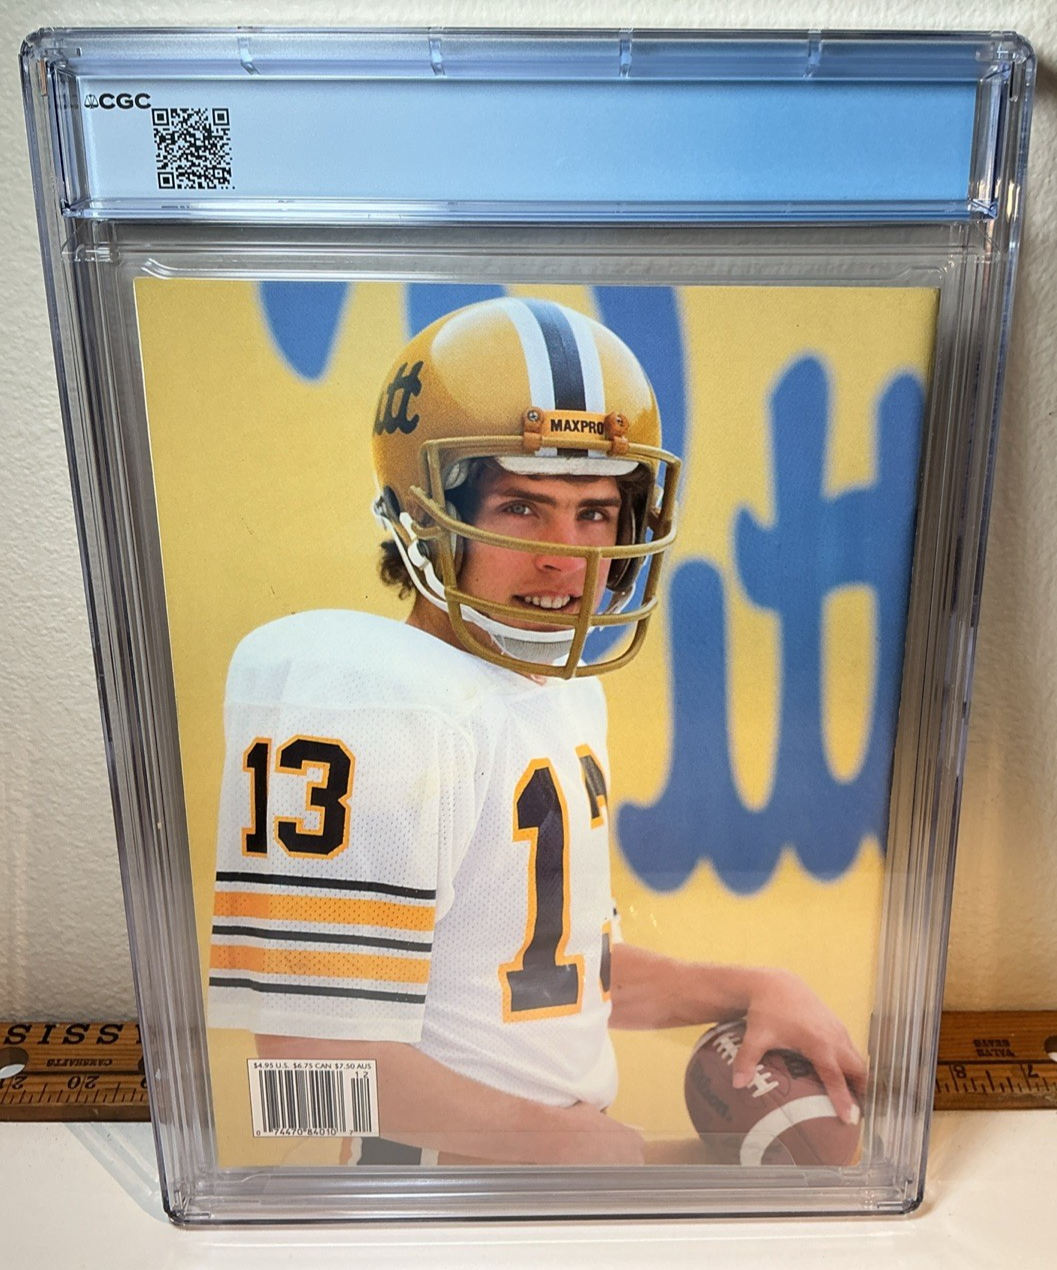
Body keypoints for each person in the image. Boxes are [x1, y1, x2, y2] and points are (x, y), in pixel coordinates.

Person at [208, 296, 865, 1165]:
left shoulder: (559, 693)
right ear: (421, 517)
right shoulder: (372, 704)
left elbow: (552, 973)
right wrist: (581, 1153)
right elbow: (308, 1061)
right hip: (431, 1188)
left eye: (594, 511)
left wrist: (750, 988)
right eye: (522, 508)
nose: (566, 554)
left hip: (538, 1167)